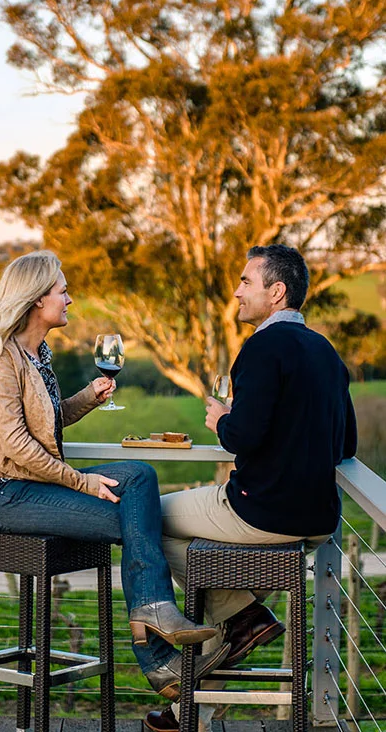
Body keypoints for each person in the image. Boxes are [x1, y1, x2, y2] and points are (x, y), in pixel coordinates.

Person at [0, 250, 228, 701]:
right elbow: (15, 445)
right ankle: (160, 657)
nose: (70, 299)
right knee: (137, 519)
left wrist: (90, 396)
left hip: (34, 485)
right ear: (35, 298)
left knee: (139, 476)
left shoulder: (37, 351)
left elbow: (45, 423)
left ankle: (154, 616)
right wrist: (82, 481)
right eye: (62, 291)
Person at [144, 244, 358, 732]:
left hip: (258, 513)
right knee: (230, 602)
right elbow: (346, 442)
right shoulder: (325, 351)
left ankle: (238, 615)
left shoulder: (262, 347)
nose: (237, 291)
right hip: (315, 523)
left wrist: (222, 419)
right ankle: (192, 709)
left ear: (276, 292)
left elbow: (243, 438)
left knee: (142, 517)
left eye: (246, 281)